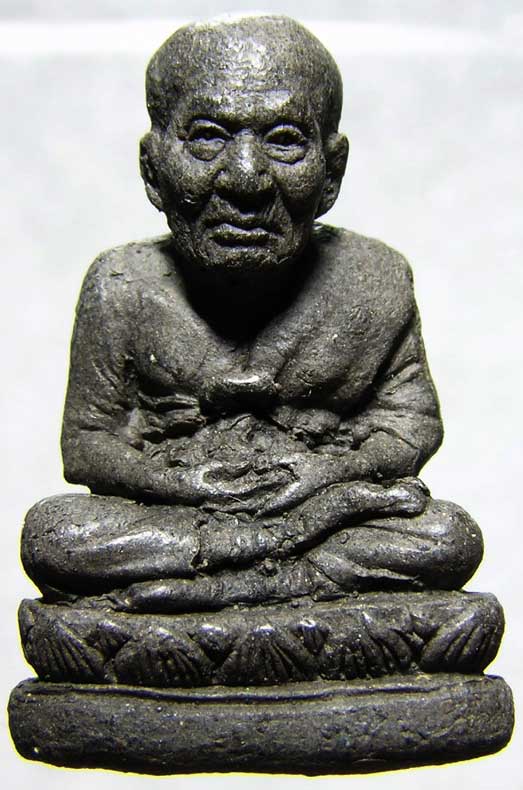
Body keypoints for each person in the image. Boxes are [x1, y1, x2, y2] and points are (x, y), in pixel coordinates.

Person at [22, 15, 483, 610]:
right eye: (208, 137)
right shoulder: (122, 285)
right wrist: (179, 483)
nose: (245, 178)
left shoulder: (376, 279)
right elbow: (87, 445)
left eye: (285, 140)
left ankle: (238, 584)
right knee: (55, 534)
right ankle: (275, 566)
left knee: (447, 536)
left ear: (332, 171)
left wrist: (329, 478)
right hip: (187, 512)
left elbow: (412, 424)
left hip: (323, 503)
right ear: (153, 170)